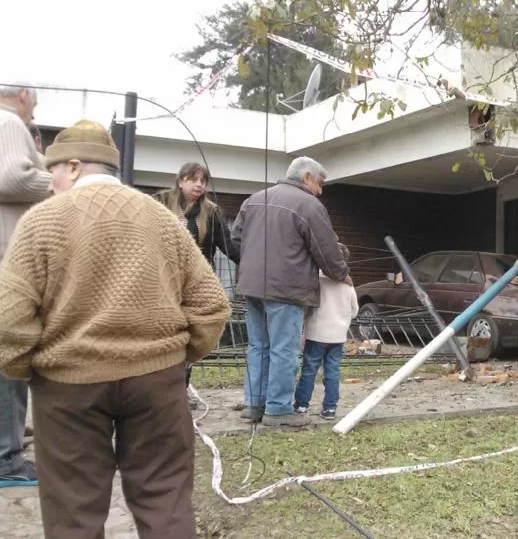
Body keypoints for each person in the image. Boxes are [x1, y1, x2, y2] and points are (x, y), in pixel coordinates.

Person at [0, 120, 231, 537]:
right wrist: (175, 356)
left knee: (73, 513)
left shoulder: (40, 222)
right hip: (157, 383)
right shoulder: (162, 219)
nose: (49, 184)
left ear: (73, 166)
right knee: (166, 502)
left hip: (67, 387)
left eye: (52, 172)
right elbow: (212, 305)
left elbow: (9, 318)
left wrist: (24, 368)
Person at [232, 156, 351, 427]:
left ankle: (254, 405)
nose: (320, 190)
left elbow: (236, 240)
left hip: (252, 286)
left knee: (258, 346)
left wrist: (253, 267)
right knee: (283, 349)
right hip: (287, 289)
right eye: (320, 183)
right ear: (307, 177)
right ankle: (278, 409)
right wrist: (342, 274)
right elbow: (326, 250)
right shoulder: (309, 205)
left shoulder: (254, 199)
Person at [156, 162, 240, 408]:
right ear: (180, 180)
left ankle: (181, 389)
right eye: (193, 179)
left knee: (189, 337)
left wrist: (256, 257)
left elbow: (229, 248)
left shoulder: (211, 212)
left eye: (203, 181)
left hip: (194, 286)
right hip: (163, 283)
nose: (199, 185)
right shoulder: (159, 203)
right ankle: (161, 388)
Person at [0, 83, 51, 488]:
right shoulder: (8, 121)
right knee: (9, 354)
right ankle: (6, 458)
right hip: (7, 263)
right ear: (24, 94)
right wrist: (59, 182)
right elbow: (12, 177)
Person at [295, 243, 359, 420]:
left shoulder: (317, 281)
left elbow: (307, 307)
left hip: (316, 334)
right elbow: (355, 311)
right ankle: (330, 408)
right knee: (332, 371)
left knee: (309, 369)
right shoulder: (348, 284)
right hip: (338, 336)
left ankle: (301, 404)